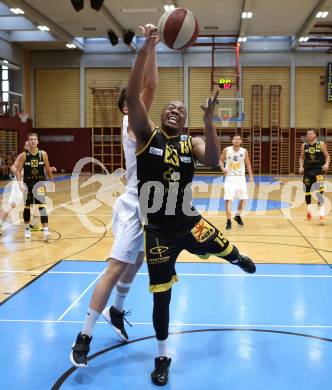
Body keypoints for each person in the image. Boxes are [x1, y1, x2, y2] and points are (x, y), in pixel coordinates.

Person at [126, 27, 256, 386]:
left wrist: (209, 122)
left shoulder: (191, 142)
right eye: (170, 107)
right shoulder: (146, 135)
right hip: (157, 234)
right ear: (161, 114)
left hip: (189, 222)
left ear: (184, 121)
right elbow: (133, 97)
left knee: (223, 247)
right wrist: (145, 49)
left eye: (180, 111)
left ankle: (237, 257)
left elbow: (214, 159)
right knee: (162, 298)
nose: (174, 110)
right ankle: (163, 357)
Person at [70, 24, 159, 368]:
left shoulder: (148, 126)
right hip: (135, 204)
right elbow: (148, 85)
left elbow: (150, 86)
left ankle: (116, 311)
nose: (144, 101)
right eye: (135, 100)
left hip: (152, 204)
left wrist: (153, 48)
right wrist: (149, 48)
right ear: (128, 107)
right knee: (116, 267)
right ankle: (84, 337)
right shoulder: (130, 121)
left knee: (138, 261)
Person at [0, 141, 57, 233]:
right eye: (27, 144)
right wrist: (22, 173)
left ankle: (33, 225)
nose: (30, 144)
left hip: (32, 183)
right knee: (12, 204)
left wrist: (49, 169)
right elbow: (13, 168)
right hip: (20, 182)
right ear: (25, 146)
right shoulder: (22, 156)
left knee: (39, 204)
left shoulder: (37, 155)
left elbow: (37, 169)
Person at [15, 133, 54, 241]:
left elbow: (47, 168)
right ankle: (27, 228)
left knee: (42, 207)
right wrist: (20, 183)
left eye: (35, 139)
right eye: (31, 139)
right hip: (28, 184)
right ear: (28, 142)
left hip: (40, 183)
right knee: (27, 206)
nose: (33, 141)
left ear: (37, 141)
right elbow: (18, 170)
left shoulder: (43, 154)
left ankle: (46, 230)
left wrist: (52, 181)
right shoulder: (24, 155)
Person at [220, 134, 254, 229]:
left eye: (238, 139)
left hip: (241, 178)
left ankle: (238, 215)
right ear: (232, 141)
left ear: (241, 141)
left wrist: (251, 176)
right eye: (235, 139)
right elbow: (221, 160)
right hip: (230, 177)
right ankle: (228, 220)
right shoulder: (227, 150)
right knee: (228, 199)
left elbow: (248, 164)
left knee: (243, 199)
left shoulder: (244, 151)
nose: (237, 140)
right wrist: (223, 168)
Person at [299, 129, 330, 224]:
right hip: (307, 171)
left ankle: (322, 214)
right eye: (308, 134)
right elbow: (301, 157)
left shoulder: (321, 144)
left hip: (318, 171)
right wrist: (301, 166)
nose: (310, 135)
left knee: (320, 192)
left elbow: (327, 156)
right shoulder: (304, 145)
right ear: (307, 136)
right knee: (307, 192)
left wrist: (327, 164)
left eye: (311, 134)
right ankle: (309, 211)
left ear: (315, 135)